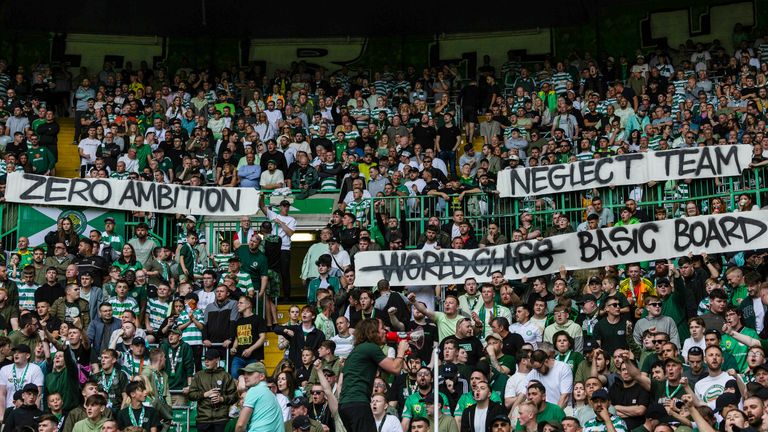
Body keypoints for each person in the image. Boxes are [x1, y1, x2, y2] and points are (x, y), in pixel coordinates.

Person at [338, 318, 409, 431]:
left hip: (346, 405)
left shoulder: (359, 349)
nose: (385, 331)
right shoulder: (370, 347)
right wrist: (400, 351)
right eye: (382, 328)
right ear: (372, 332)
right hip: (358, 403)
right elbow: (395, 368)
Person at [189, 349, 238, 432]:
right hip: (203, 420)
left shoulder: (225, 376)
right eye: (205, 359)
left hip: (221, 420)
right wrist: (205, 394)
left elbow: (234, 396)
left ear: (217, 359)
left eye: (210, 359)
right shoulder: (199, 375)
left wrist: (222, 399)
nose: (206, 361)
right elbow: (191, 394)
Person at [235, 362, 283, 432]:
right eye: (244, 374)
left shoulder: (255, 390)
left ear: (261, 376)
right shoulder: (269, 393)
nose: (245, 376)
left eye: (250, 373)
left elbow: (240, 425)